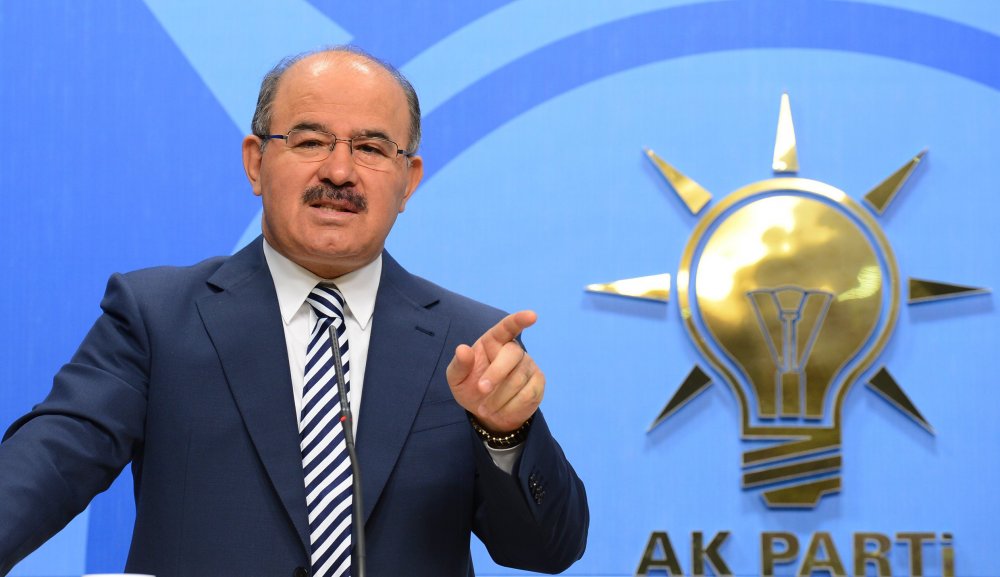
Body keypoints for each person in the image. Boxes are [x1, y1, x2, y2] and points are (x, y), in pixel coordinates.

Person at [0, 47, 588, 576]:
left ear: (409, 181)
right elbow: (49, 463)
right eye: (309, 142)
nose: (339, 172)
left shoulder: (471, 342)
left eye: (371, 148)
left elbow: (550, 550)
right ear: (255, 163)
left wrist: (504, 434)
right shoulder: (157, 317)